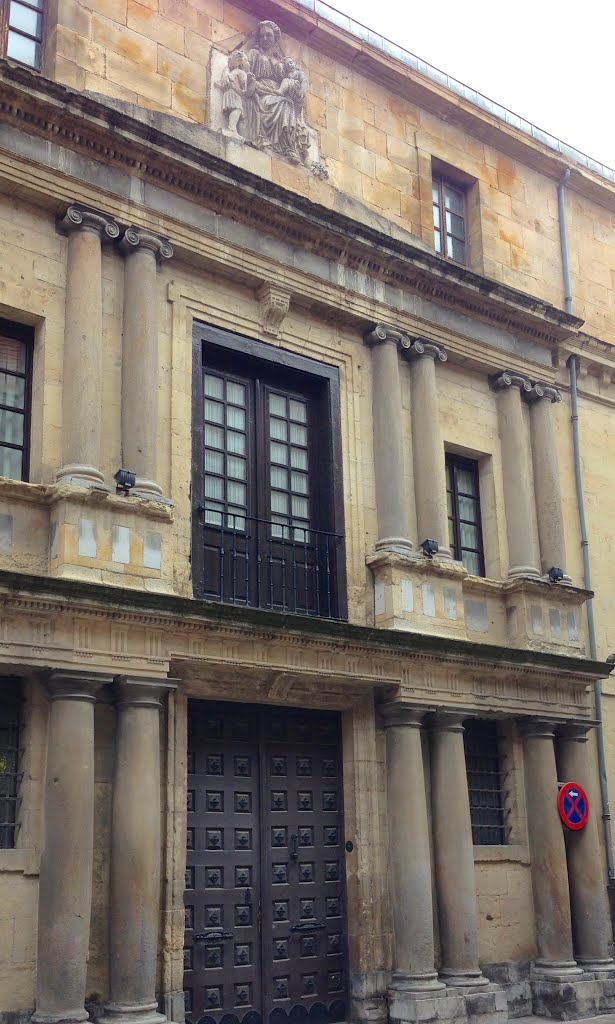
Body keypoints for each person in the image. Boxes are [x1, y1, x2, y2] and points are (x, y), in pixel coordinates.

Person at [220, 51, 253, 136]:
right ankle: (232, 128)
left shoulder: (231, 72)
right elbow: (244, 87)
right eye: (246, 60)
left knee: (233, 110)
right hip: (235, 94)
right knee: (237, 109)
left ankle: (231, 127)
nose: (248, 63)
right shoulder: (241, 72)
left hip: (228, 92)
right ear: (240, 62)